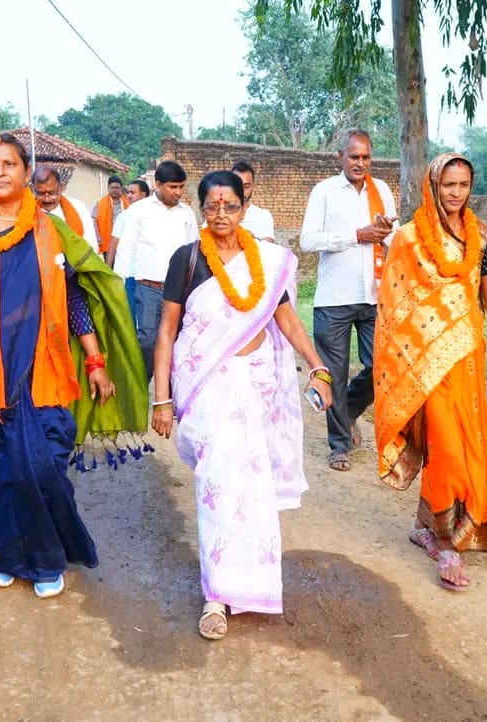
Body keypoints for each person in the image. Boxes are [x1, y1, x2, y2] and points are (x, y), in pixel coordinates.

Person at [0, 133, 146, 598]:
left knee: (41, 468)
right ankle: (6, 556)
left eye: (9, 164)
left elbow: (74, 299)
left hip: (42, 367)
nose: (0, 172)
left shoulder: (51, 230)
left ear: (24, 172)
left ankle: (47, 559)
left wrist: (95, 360)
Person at [152, 170, 333, 641]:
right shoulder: (188, 259)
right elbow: (167, 331)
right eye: (212, 206)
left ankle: (252, 583)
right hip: (207, 386)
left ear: (244, 208)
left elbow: (288, 321)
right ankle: (215, 595)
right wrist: (162, 398)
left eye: (230, 206)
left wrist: (318, 366)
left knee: (252, 489)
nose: (221, 215)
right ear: (201, 209)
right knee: (217, 484)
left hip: (256, 384)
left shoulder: (265, 261)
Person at [372, 152, 487, 592]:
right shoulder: (409, 240)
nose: (456, 193)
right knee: (447, 449)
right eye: (448, 185)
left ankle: (425, 526)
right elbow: (393, 309)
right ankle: (449, 545)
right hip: (426, 368)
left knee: (471, 449)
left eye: (463, 185)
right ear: (433, 186)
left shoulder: (482, 237)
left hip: (468, 363)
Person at [299, 129, 398, 472]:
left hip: (374, 296)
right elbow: (308, 241)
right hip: (334, 298)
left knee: (381, 367)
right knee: (334, 375)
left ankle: (350, 410)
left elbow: (394, 239)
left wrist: (386, 233)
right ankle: (339, 444)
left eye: (366, 157)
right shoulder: (324, 191)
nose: (360, 163)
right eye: (354, 156)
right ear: (339, 156)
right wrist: (357, 235)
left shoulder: (381, 190)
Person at [114, 161, 199, 379]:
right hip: (148, 289)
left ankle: (172, 388)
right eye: (173, 187)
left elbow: (194, 250)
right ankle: (144, 384)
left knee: (178, 340)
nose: (178, 192)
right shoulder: (139, 211)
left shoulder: (187, 214)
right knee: (147, 340)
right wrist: (118, 284)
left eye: (181, 187)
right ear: (158, 184)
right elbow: (126, 247)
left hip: (179, 291)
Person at [106, 179, 151, 313]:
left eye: (132, 192)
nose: (129, 195)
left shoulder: (155, 217)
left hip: (150, 276)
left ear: (143, 194)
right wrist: (107, 271)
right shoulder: (124, 216)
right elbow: (113, 245)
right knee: (131, 313)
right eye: (128, 193)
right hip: (130, 273)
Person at [31, 166, 94, 241]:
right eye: (41, 193)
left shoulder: (78, 207)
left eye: (51, 193)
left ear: (61, 187)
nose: (47, 199)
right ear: (33, 189)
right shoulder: (27, 211)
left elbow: (91, 243)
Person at [231, 160, 276, 243]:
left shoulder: (263, 216)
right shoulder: (217, 214)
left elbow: (268, 246)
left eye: (246, 186)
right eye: (237, 186)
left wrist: (252, 240)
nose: (242, 191)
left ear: (253, 186)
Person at [91, 175, 129, 255]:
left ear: (121, 189)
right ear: (108, 188)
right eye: (112, 187)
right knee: (109, 262)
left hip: (124, 241)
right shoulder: (100, 203)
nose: (114, 190)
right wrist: (98, 237)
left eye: (117, 188)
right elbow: (95, 221)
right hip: (107, 241)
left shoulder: (127, 202)